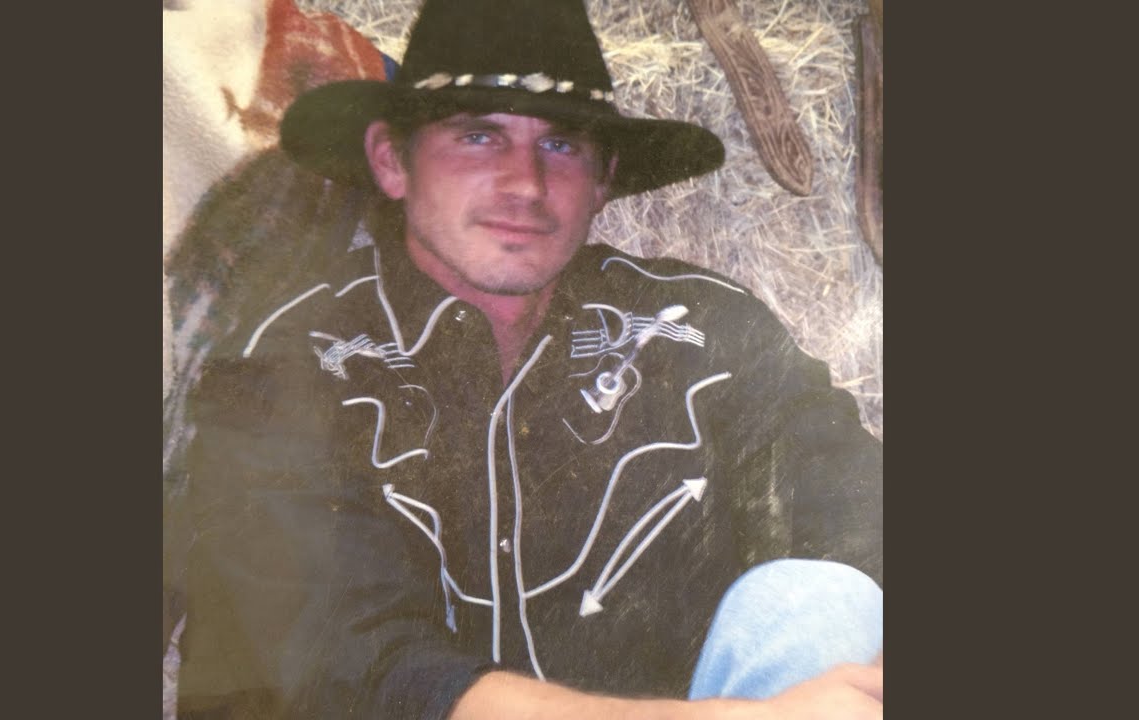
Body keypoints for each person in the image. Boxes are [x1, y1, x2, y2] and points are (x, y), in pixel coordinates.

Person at [171, 0, 883, 718]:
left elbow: (864, 517)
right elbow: (354, 666)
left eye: (562, 146)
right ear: (392, 161)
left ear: (603, 179)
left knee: (820, 602)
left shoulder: (696, 328)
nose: (526, 184)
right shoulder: (294, 360)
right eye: (479, 137)